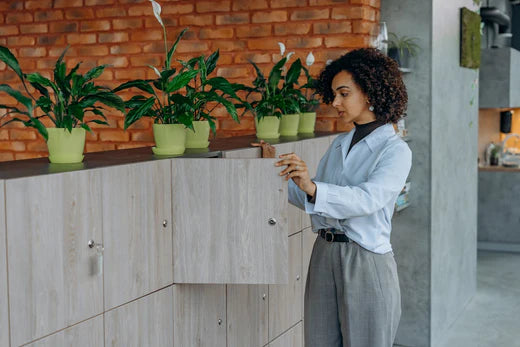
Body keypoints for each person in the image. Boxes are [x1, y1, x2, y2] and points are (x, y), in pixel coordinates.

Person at [275, 48, 412, 347]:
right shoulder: (340, 143)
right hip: (324, 253)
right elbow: (315, 197)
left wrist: (313, 188)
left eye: (343, 93)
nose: (335, 102)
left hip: (365, 259)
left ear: (370, 91)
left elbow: (366, 200)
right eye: (334, 94)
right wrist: (273, 174)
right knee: (318, 341)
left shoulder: (395, 150)